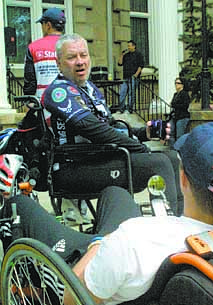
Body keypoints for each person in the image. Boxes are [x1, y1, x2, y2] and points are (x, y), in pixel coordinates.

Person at [1, 122, 213, 305]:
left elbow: (72, 302)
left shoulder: (136, 237)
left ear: (183, 179)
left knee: (18, 205)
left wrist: (100, 244)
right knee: (115, 193)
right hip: (126, 281)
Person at [43, 34, 182, 218]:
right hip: (74, 167)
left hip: (101, 158)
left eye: (83, 55)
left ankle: (181, 221)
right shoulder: (58, 91)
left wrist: (143, 133)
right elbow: (93, 129)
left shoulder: (90, 89)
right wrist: (139, 148)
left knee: (172, 157)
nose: (80, 62)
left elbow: (109, 126)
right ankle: (169, 229)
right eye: (72, 57)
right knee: (158, 162)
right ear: (59, 63)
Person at [23, 7, 66, 100]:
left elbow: (30, 80)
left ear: (48, 25)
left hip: (44, 103)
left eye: (42, 24)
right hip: (69, 100)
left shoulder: (33, 47)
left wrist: (28, 100)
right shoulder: (72, 44)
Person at [117, 40, 144, 113]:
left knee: (131, 94)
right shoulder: (126, 55)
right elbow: (120, 63)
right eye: (128, 46)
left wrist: (136, 74)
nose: (128, 47)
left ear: (134, 46)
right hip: (125, 77)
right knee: (122, 93)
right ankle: (121, 108)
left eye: (129, 45)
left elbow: (141, 66)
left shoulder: (138, 55)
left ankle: (130, 108)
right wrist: (121, 55)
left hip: (133, 77)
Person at [168, 76, 191, 148]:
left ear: (182, 84)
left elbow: (185, 105)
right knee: (170, 133)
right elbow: (172, 104)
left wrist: (175, 105)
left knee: (179, 135)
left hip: (182, 117)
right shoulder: (176, 94)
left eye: (178, 83)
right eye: (175, 83)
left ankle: (179, 149)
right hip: (175, 116)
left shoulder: (184, 94)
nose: (176, 85)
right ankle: (173, 149)